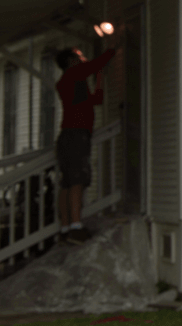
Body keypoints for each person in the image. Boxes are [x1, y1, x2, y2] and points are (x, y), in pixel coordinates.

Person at [54, 44, 117, 244]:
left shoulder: (71, 82)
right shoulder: (73, 75)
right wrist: (112, 47)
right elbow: (96, 63)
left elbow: (96, 100)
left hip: (68, 135)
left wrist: (99, 77)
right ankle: (75, 227)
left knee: (67, 183)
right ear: (70, 61)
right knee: (77, 182)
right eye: (79, 56)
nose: (83, 59)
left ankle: (65, 227)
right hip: (76, 136)